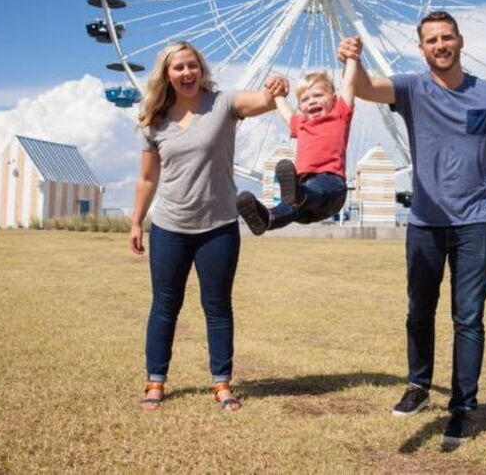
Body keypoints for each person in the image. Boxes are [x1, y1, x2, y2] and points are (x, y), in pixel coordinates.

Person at [336, 12, 486, 446]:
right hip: (425, 223)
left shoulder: (485, 93)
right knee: (419, 310)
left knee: (468, 317)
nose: (440, 45)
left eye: (446, 37)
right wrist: (350, 60)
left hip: (475, 222)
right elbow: (364, 89)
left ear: (460, 41)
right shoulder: (411, 88)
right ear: (421, 48)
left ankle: (463, 408)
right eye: (431, 40)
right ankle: (418, 385)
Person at [130, 40, 288, 412]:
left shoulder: (223, 104)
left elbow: (264, 101)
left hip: (218, 226)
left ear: (201, 69)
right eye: (178, 67)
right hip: (170, 226)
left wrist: (276, 88)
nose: (187, 73)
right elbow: (147, 178)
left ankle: (222, 383)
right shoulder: (155, 120)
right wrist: (136, 221)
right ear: (167, 74)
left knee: (217, 306)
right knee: (165, 304)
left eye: (192, 65)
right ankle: (155, 381)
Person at [235, 57, 358, 235]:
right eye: (305, 99)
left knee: (308, 192)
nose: (312, 101)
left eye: (318, 95)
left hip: (331, 188)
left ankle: (301, 196)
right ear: (300, 107)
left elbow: (349, 83)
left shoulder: (340, 115)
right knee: (289, 207)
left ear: (334, 98)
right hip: (303, 191)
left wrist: (352, 58)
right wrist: (277, 92)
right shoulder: (300, 124)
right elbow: (284, 111)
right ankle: (267, 218)